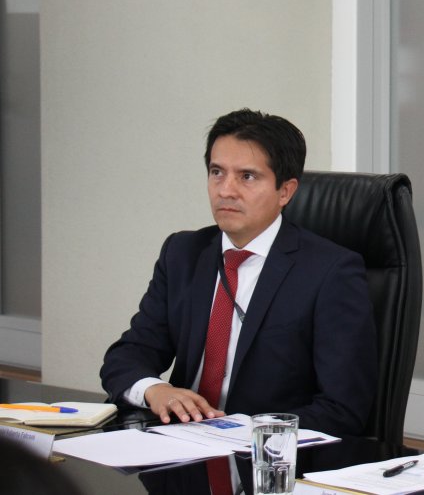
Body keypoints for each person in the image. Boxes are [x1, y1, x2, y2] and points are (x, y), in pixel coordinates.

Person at [100, 109, 377, 437]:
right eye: (217, 172)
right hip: (180, 452)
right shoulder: (183, 254)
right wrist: (154, 390)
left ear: (285, 191)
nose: (226, 190)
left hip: (265, 462)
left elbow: (342, 408)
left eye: (247, 176)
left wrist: (239, 431)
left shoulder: (330, 272)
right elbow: (127, 356)